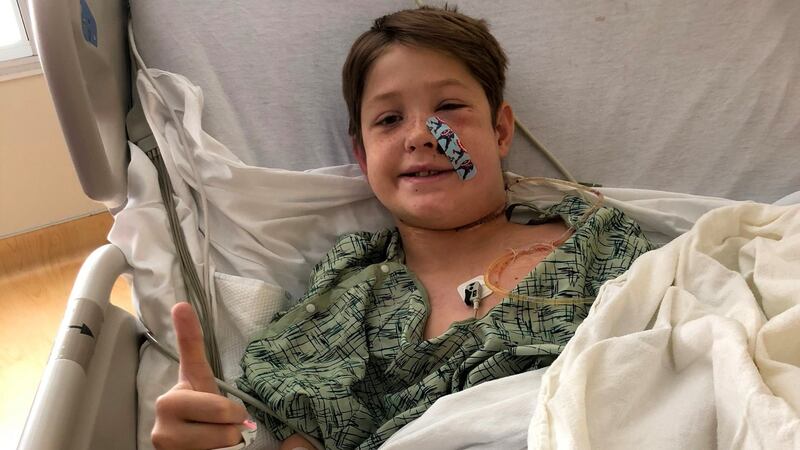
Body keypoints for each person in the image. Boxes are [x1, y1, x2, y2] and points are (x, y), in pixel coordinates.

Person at [151, 6, 654, 450]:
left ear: (501, 130)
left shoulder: (597, 242)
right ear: (362, 155)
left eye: (448, 108)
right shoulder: (352, 291)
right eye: (389, 119)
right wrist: (217, 438)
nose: (421, 136)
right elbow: (301, 430)